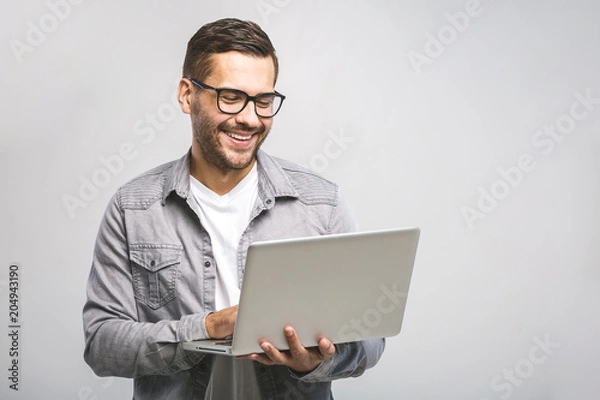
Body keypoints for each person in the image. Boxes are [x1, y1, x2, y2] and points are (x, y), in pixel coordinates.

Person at [82, 17, 384, 399]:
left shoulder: (321, 203)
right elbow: (102, 344)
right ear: (187, 95)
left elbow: (370, 339)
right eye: (231, 97)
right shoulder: (134, 208)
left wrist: (318, 361)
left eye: (263, 101)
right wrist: (207, 327)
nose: (250, 118)